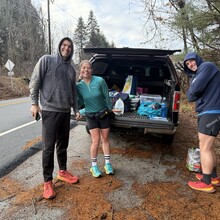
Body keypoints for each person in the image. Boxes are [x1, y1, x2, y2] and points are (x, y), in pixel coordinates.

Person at [29, 37, 81, 199]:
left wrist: (76, 109)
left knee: (63, 145)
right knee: (48, 147)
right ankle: (47, 181)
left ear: (72, 50)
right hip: (50, 111)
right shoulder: (46, 60)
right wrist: (34, 103)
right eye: (64, 45)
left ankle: (63, 171)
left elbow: (73, 92)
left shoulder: (72, 70)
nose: (66, 48)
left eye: (69, 46)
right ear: (59, 46)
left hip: (65, 112)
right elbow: (35, 81)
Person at [184, 52, 220, 193]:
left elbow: (193, 92)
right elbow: (192, 93)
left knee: (204, 147)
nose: (190, 64)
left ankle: (206, 183)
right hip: (210, 111)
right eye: (187, 64)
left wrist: (192, 91)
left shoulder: (206, 67)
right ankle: (214, 177)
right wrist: (192, 92)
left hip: (211, 111)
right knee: (209, 147)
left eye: (191, 61)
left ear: (197, 59)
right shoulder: (201, 72)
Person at [77, 60, 114, 177]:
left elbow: (106, 96)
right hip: (91, 116)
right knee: (95, 140)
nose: (86, 70)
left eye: (88, 68)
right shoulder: (79, 86)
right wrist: (78, 111)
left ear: (91, 70)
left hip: (103, 114)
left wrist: (110, 109)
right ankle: (94, 166)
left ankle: (107, 164)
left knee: (105, 139)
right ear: (80, 70)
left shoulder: (100, 81)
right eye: (83, 68)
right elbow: (79, 102)